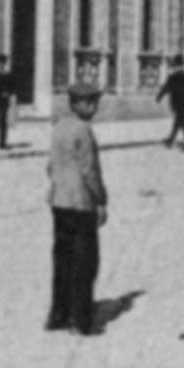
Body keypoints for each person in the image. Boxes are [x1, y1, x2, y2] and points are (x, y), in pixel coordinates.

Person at [45, 83, 108, 336]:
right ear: (75, 104)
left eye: (94, 102)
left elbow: (50, 166)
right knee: (85, 262)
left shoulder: (58, 127)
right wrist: (101, 201)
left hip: (59, 202)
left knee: (62, 259)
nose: (92, 107)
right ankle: (81, 320)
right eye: (87, 102)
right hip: (82, 203)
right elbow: (90, 171)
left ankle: (58, 315)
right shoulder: (84, 130)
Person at [156, 57, 184, 151]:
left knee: (183, 123)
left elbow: (165, 88)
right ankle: (170, 140)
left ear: (176, 66)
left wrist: (159, 97)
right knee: (179, 122)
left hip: (177, 104)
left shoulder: (172, 77)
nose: (176, 67)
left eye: (176, 66)